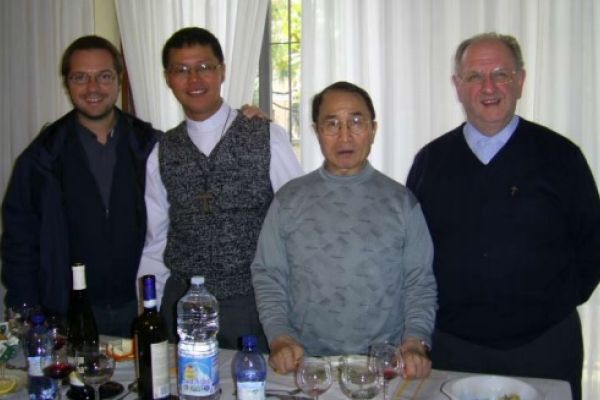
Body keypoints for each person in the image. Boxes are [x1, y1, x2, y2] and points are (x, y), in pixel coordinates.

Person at [406, 32, 600, 400]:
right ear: (458, 86)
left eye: (501, 74)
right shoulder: (430, 161)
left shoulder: (562, 156)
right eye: (475, 76)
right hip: (452, 347)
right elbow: (411, 253)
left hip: (545, 347)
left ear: (520, 81)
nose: (489, 87)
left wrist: (551, 301)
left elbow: (592, 243)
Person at [251, 81, 437, 377]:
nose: (345, 135)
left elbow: (419, 281)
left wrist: (415, 341)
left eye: (356, 122)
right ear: (316, 131)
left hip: (383, 366)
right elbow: (269, 275)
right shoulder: (289, 200)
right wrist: (279, 338)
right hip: (305, 365)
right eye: (332, 124)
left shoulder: (402, 203)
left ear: (373, 129)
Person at [138, 27, 302, 351]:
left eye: (204, 67)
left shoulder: (266, 137)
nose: (194, 79)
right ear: (168, 78)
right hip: (182, 305)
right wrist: (147, 309)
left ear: (222, 71)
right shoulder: (162, 152)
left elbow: (297, 226)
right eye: (181, 70)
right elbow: (156, 241)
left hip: (252, 304)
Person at [1, 35, 162, 337]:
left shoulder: (153, 147)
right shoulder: (40, 158)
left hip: (145, 306)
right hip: (67, 313)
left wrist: (245, 120)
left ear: (119, 79)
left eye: (104, 76)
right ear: (67, 84)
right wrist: (27, 310)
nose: (93, 88)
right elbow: (19, 243)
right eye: (80, 77)